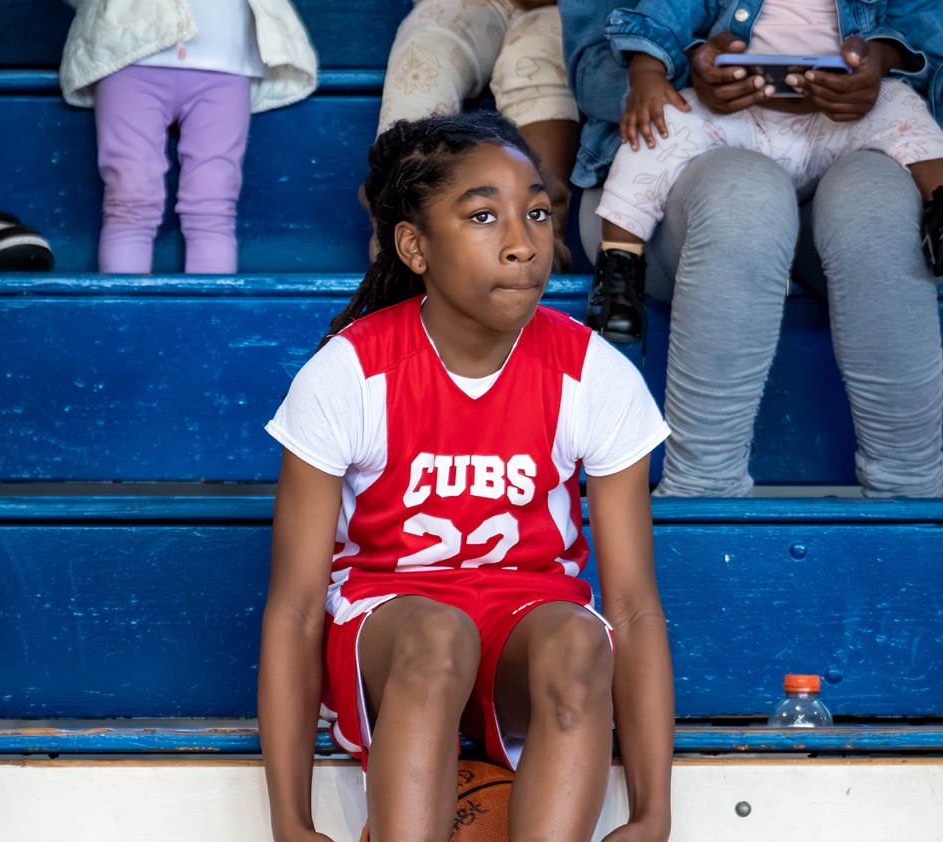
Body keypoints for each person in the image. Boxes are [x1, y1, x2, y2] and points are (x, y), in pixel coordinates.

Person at [258, 113, 674, 842]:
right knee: (437, 631)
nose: (522, 240)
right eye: (482, 215)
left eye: (537, 212)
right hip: (394, 637)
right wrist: (291, 821)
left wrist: (655, 811)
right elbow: (296, 605)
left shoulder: (590, 370)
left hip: (526, 637)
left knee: (578, 634)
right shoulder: (352, 370)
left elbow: (630, 604)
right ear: (414, 245)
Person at [559, 0, 943, 498]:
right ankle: (702, 491)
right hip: (706, 158)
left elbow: (926, 33)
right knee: (744, 200)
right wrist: (694, 68)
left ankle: (913, 494)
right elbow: (596, 73)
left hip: (843, 136)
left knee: (879, 207)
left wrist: (881, 60)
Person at [585, 1, 943, 346]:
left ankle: (939, 213)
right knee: (660, 123)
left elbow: (920, 25)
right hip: (738, 115)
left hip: (836, 120)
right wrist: (648, 74)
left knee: (902, 106)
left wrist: (880, 58)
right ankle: (619, 275)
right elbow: (665, 13)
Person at [58, 0, 318, 273]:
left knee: (207, 209)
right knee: (133, 204)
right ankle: (124, 301)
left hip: (218, 57)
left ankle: (203, 305)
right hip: (129, 52)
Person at [375, 0, 580, 270]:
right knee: (424, 54)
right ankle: (403, 217)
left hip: (563, 9)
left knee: (538, 64)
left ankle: (539, 234)